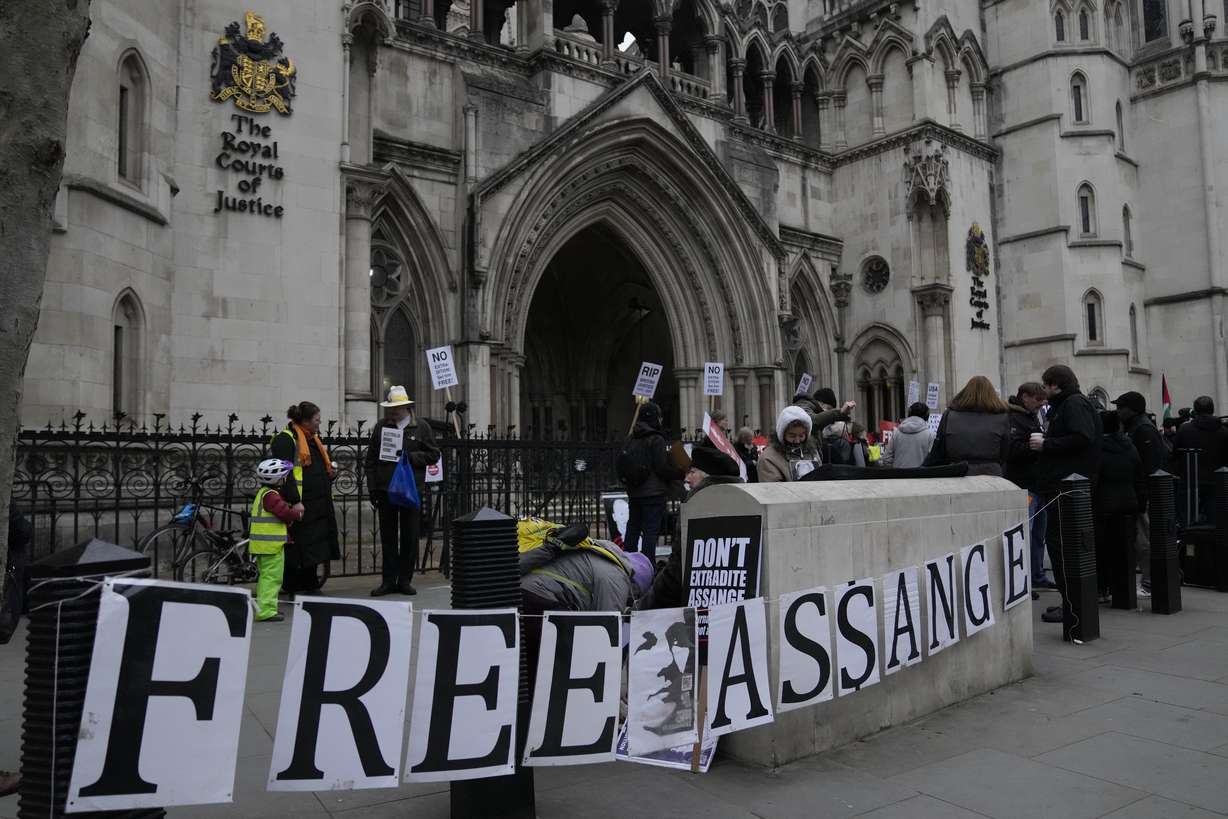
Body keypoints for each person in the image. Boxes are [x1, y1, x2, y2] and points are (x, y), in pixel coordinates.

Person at [1030, 365, 1102, 625]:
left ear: (1055, 385)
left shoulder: (1073, 404)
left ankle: (1073, 604)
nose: (1044, 390)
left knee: (1062, 546)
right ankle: (1071, 602)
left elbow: (1082, 437)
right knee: (1065, 545)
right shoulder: (1070, 404)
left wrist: (1046, 444)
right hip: (1066, 486)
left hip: (1068, 489)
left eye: (1046, 385)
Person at [638, 444, 743, 609]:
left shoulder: (695, 509)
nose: (686, 478)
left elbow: (676, 574)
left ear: (708, 477)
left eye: (692, 472)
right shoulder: (740, 504)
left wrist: (641, 607)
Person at [364, 385, 441, 597]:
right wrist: (373, 488)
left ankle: (405, 580)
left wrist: (411, 457)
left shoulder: (421, 427)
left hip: (410, 490)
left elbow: (434, 454)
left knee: (409, 536)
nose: (393, 412)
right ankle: (388, 581)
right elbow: (370, 460)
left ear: (406, 407)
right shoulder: (381, 427)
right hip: (386, 490)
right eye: (391, 408)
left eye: (397, 408)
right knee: (388, 537)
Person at [270, 401, 340, 594]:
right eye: (317, 420)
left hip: (318, 503)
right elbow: (285, 473)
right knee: (300, 546)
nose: (320, 423)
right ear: (306, 421)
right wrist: (295, 500)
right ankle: (296, 584)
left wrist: (331, 474)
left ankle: (309, 583)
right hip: (300, 502)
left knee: (315, 546)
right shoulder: (286, 440)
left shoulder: (312, 439)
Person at [1113, 390, 1164, 598]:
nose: (1117, 411)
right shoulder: (1138, 427)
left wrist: (1143, 493)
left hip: (1143, 492)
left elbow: (1149, 465)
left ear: (1131, 409)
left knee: (1144, 538)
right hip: (1140, 491)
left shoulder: (1142, 429)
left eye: (1120, 407)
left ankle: (1150, 582)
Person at [619, 401, 685, 554]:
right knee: (650, 531)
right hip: (653, 493)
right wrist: (679, 473)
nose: (661, 420)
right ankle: (648, 566)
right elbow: (660, 468)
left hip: (634, 490)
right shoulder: (656, 439)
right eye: (660, 417)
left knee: (633, 527)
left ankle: (629, 562)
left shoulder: (630, 438)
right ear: (655, 418)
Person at [1093, 412, 1145, 604]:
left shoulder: (1097, 449)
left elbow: (1094, 478)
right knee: (1124, 548)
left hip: (1103, 504)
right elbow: (1139, 475)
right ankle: (1124, 590)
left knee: (1101, 549)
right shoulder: (1130, 447)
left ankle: (1102, 589)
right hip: (1128, 503)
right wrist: (1140, 502)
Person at [1007, 383, 1052, 589]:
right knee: (1026, 534)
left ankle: (1036, 576)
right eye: (1038, 399)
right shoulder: (1013, 418)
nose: (1042, 403)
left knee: (1037, 536)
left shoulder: (1034, 416)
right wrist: (1033, 447)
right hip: (1024, 485)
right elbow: (1012, 450)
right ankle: (1023, 580)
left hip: (1037, 484)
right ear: (1025, 397)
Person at [249, 459, 305, 623]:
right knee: (272, 578)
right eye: (285, 476)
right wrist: (296, 514)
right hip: (271, 546)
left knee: (266, 577)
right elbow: (284, 512)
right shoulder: (271, 496)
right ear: (278, 479)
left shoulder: (264, 493)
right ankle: (266, 611)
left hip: (263, 545)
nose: (286, 479)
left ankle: (266, 607)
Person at [923, 375, 1011, 476]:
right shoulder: (1002, 417)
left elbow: (939, 449)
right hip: (991, 473)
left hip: (958, 472)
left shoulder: (949, 414)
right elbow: (1005, 452)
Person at [1168, 395, 1228, 524]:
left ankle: (1190, 543)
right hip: (1217, 482)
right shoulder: (1223, 431)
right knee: (1216, 522)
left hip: (1190, 482)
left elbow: (1175, 455)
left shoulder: (1185, 429)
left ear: (1195, 410)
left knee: (1188, 522)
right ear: (1212, 409)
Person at [760, 406, 823, 482]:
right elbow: (773, 489)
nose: (797, 441)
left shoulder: (812, 452)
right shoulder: (768, 458)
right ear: (782, 434)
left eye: (801, 436)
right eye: (792, 436)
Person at [882, 402, 935, 468]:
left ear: (909, 413)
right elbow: (933, 461)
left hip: (899, 476)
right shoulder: (931, 435)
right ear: (927, 416)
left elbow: (886, 459)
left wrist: (896, 470)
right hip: (921, 476)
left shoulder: (896, 433)